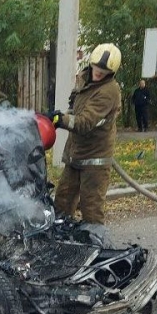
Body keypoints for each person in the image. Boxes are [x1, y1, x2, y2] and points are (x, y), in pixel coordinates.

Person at [50, 43, 122, 224]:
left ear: (111, 72)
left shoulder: (109, 91)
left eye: (104, 70)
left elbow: (84, 123)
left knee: (91, 210)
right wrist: (60, 116)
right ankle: (61, 242)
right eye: (97, 67)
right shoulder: (83, 79)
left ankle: (96, 246)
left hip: (95, 161)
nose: (99, 72)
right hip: (75, 155)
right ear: (92, 64)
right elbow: (75, 108)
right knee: (62, 204)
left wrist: (61, 120)